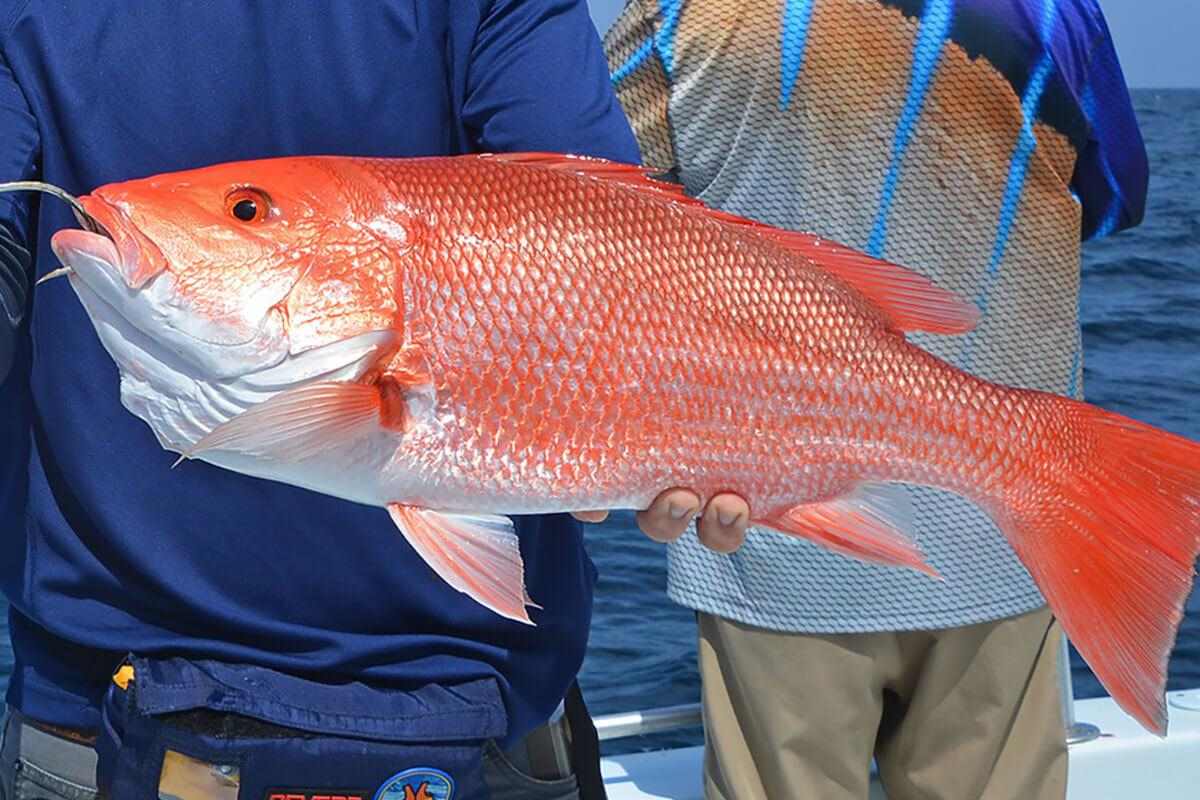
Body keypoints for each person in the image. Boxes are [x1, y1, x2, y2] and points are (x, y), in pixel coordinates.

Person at [0, 2, 750, 798]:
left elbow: (603, 237)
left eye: (248, 213)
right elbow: (614, 243)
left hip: (109, 732)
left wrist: (642, 422)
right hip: (464, 711)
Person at [604, 1, 1148, 798]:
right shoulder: (1054, 9)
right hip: (1005, 526)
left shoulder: (670, 8)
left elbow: (602, 217)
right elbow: (1112, 197)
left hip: (773, 529)